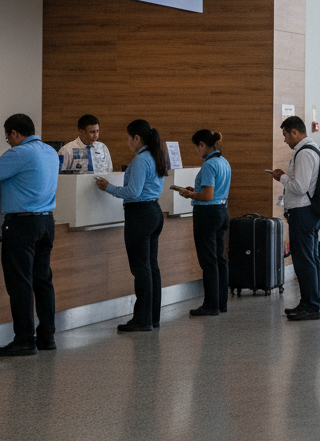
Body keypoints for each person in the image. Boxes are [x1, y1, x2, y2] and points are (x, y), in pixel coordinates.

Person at [0, 114, 60, 357]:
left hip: (22, 225)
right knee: (43, 281)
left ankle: (25, 338)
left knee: (20, 283)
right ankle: (47, 337)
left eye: (7, 136)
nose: (7, 141)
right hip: (47, 222)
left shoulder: (19, 154)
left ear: (15, 132)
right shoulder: (50, 151)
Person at [96, 119, 166, 331]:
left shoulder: (140, 160)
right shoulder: (156, 157)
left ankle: (142, 319)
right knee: (151, 266)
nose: (128, 141)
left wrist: (109, 188)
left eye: (129, 137)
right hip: (154, 211)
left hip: (140, 215)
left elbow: (133, 192)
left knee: (141, 269)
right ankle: (153, 316)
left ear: (136, 138)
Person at [270, 115, 320, 321]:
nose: (285, 140)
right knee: (305, 260)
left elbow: (300, 187)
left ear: (295, 132)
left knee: (305, 260)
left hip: (303, 212)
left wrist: (281, 176)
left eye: (285, 135)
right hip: (304, 212)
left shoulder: (304, 153)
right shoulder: (307, 150)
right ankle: (307, 303)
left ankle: (312, 306)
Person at [179, 129, 232, 317]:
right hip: (222, 211)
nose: (197, 151)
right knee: (219, 259)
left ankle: (210, 305)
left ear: (202, 145)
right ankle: (221, 302)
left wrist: (190, 194)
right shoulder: (224, 161)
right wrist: (197, 190)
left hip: (207, 213)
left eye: (197, 147)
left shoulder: (209, 164)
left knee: (208, 261)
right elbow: (214, 191)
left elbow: (207, 196)